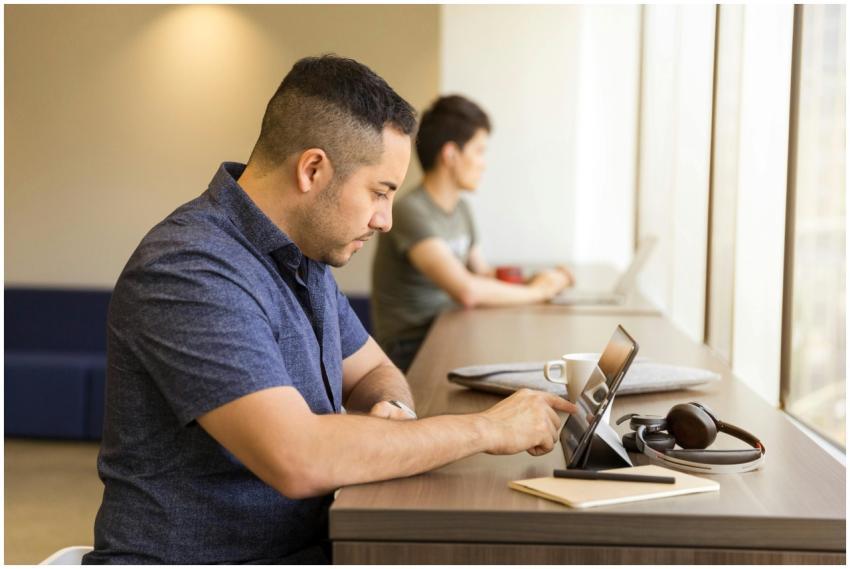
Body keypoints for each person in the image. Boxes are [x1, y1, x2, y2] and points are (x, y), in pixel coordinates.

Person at [83, 56, 576, 564]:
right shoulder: (189, 269)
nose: (385, 220)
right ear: (313, 169)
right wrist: (488, 429)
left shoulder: (304, 257)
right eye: (379, 192)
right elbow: (297, 456)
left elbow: (376, 371)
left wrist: (395, 414)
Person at [371, 95, 574, 371]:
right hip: (413, 349)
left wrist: (535, 279)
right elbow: (467, 290)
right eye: (479, 151)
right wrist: (539, 292)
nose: (484, 163)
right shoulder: (411, 211)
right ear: (451, 155)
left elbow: (482, 274)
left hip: (450, 330)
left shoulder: (461, 209)